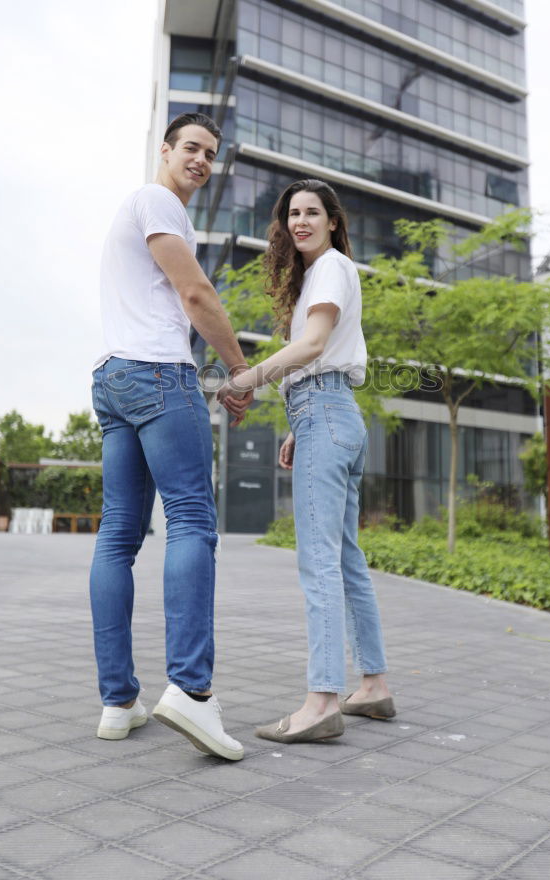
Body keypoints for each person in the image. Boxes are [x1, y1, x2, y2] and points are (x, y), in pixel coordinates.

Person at [90, 112, 252, 760]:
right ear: (165, 149)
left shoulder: (137, 208)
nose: (201, 160)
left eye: (210, 153)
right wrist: (240, 369)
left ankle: (117, 700)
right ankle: (192, 691)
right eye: (191, 147)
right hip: (157, 373)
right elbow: (196, 295)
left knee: (119, 536)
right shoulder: (157, 201)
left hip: (112, 376)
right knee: (191, 521)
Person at [218, 179, 395, 743]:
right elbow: (323, 359)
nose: (300, 221)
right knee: (344, 559)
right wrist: (300, 423)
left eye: (312, 212)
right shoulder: (325, 272)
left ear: (333, 221)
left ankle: (321, 701)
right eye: (292, 213)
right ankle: (373, 685)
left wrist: (246, 378)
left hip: (326, 411)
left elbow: (314, 345)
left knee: (319, 561)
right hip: (329, 413)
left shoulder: (332, 268)